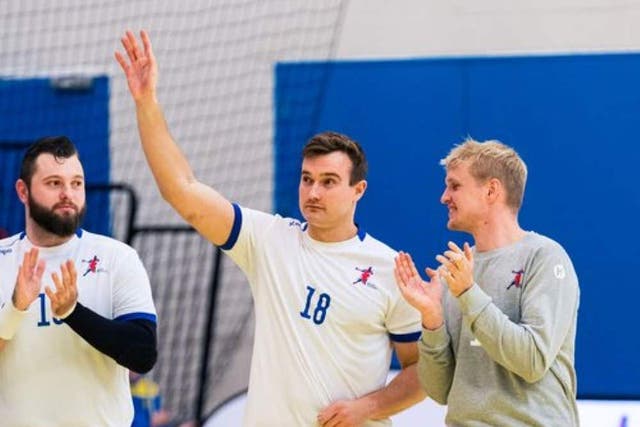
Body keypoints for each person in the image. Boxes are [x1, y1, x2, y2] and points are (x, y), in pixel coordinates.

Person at [115, 30, 426, 426]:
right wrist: (146, 103)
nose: (313, 191)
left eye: (328, 181)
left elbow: (421, 373)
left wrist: (369, 408)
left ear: (357, 190)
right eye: (306, 178)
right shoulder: (268, 239)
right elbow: (183, 191)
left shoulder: (389, 268)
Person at [394, 138, 580, 426]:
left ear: (491, 190)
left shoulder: (545, 257)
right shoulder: (454, 274)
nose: (444, 197)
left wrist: (469, 294)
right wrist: (432, 320)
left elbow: (532, 362)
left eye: (455, 186)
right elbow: (439, 391)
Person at [0, 136, 158, 426]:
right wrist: (15, 308)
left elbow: (143, 354)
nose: (67, 194)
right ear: (23, 191)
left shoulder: (117, 258)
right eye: (54, 183)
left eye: (76, 183)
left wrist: (73, 313)